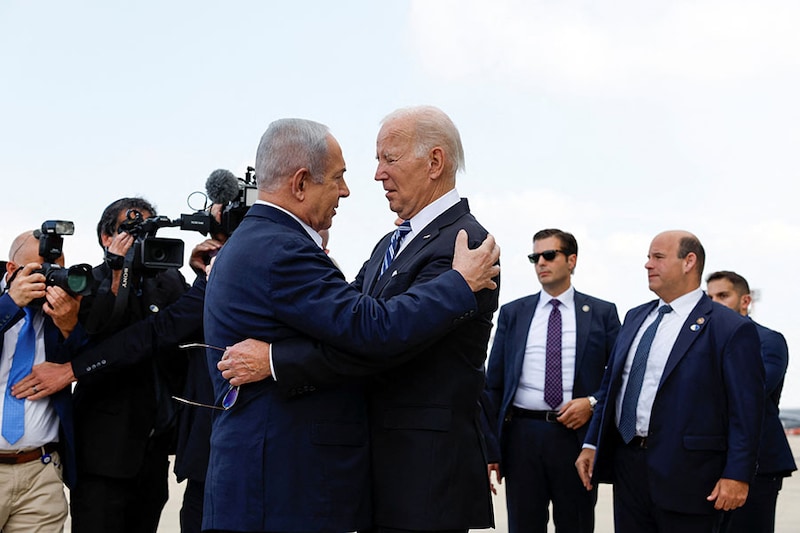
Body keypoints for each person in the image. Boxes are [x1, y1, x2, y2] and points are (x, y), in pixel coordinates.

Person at [202, 117, 500, 533]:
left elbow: (376, 340)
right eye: (343, 176)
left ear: (435, 162)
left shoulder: (467, 249)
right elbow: (362, 328)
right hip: (305, 479)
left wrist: (275, 360)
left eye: (388, 158)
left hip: (423, 480)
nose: (372, 176)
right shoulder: (362, 245)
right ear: (301, 183)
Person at [575, 230, 765, 533]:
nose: (648, 265)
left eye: (658, 257)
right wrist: (592, 443)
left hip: (690, 478)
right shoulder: (636, 318)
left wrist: (737, 475)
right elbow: (614, 385)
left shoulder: (729, 328)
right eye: (649, 257)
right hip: (629, 469)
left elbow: (747, 411)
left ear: (689, 261)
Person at [484, 228, 620, 533]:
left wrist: (592, 403)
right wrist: (491, 449)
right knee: (523, 526)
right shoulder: (513, 313)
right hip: (522, 438)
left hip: (575, 440)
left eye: (549, 255)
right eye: (535, 257)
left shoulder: (602, 313)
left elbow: (618, 377)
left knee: (576, 525)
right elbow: (493, 385)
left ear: (571, 260)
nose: (540, 263)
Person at [69, 197, 190, 533]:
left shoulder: (170, 282)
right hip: (103, 454)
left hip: (153, 450)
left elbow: (185, 330)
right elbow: (100, 331)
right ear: (106, 237)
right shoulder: (87, 281)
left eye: (148, 231)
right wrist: (118, 268)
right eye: (130, 230)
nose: (140, 240)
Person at [0, 230, 82, 532]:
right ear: (12, 269)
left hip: (41, 474)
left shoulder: (63, 307)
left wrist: (70, 325)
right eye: (38, 271)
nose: (47, 281)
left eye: (55, 271)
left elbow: (88, 364)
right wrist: (9, 304)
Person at [706, 270, 796, 533]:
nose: (714, 303)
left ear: (745, 301)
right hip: (707, 462)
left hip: (760, 463)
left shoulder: (769, 341)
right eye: (709, 297)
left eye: (723, 295)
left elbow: (753, 391)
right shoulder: (700, 342)